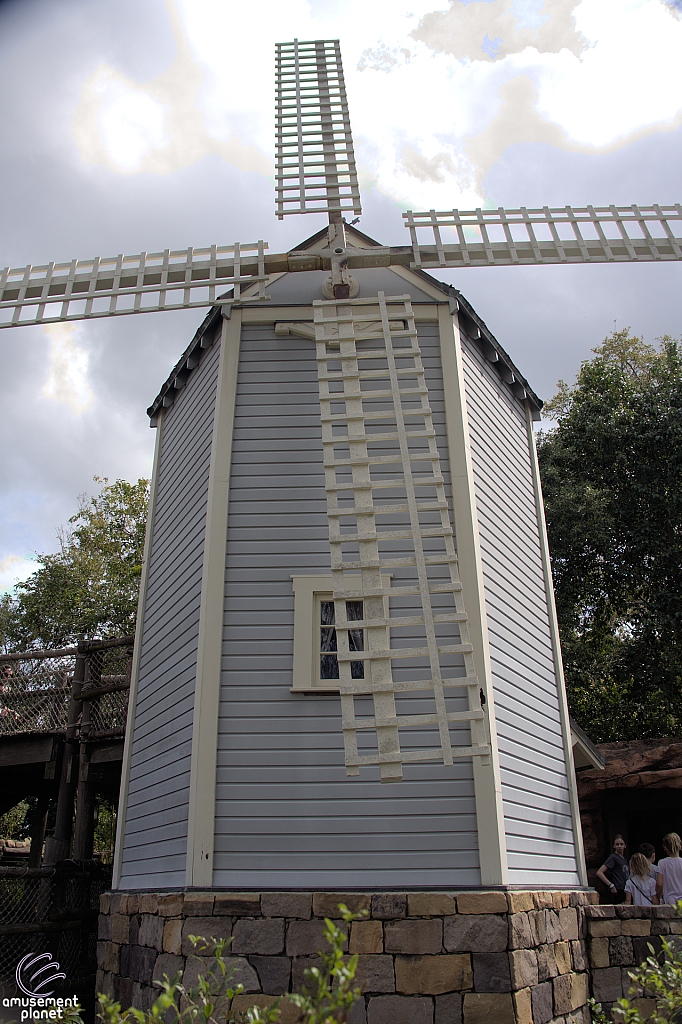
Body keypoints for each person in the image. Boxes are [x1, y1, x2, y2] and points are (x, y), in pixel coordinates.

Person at [596, 834, 629, 903]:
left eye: (621, 844)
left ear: (625, 846)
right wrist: (610, 885)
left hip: (626, 888)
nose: (619, 846)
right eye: (617, 844)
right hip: (618, 888)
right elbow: (599, 872)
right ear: (614, 846)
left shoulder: (624, 859)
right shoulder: (613, 857)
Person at [656, 833, 682, 905]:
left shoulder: (662, 863)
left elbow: (659, 884)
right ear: (680, 846)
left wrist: (658, 895)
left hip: (669, 901)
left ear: (666, 848)